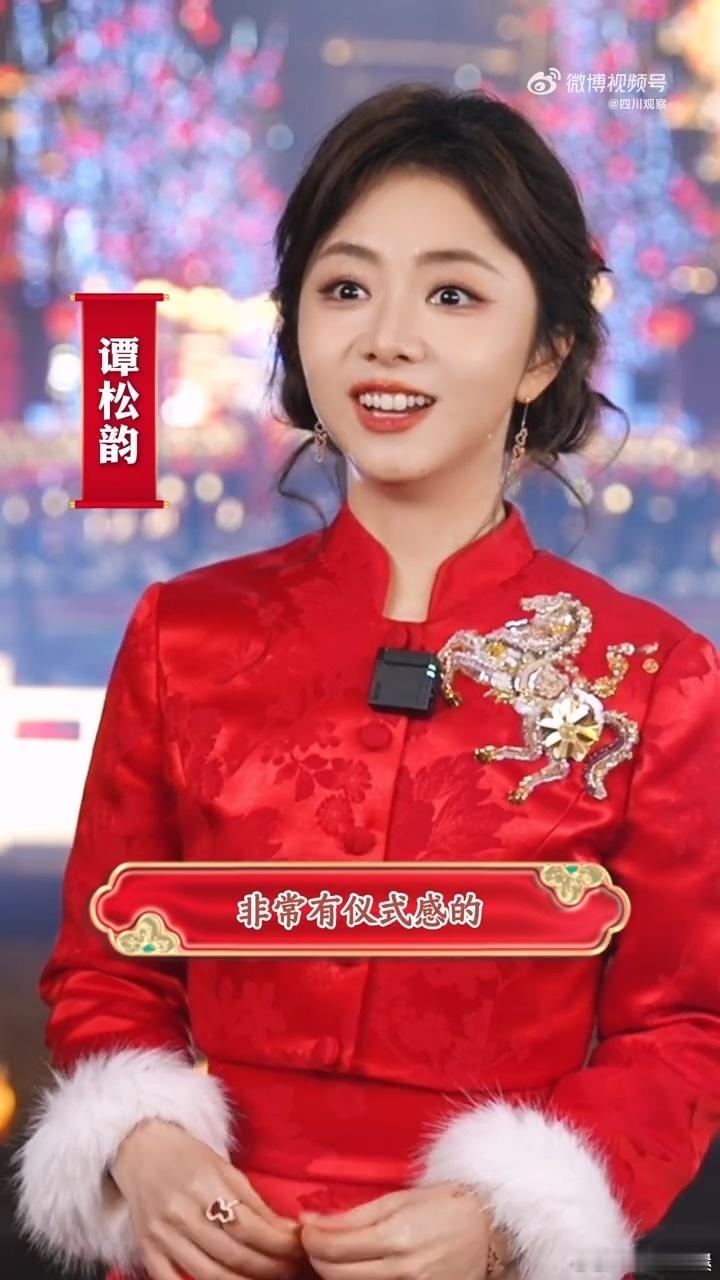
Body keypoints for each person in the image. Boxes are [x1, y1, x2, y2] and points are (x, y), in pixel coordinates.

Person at [10, 81, 720, 1280]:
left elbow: (684, 1027)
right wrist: (142, 1140)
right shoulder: (184, 633)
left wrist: (504, 1217)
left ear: (547, 350)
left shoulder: (650, 672)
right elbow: (107, 966)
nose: (387, 338)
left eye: (452, 293)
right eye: (345, 288)